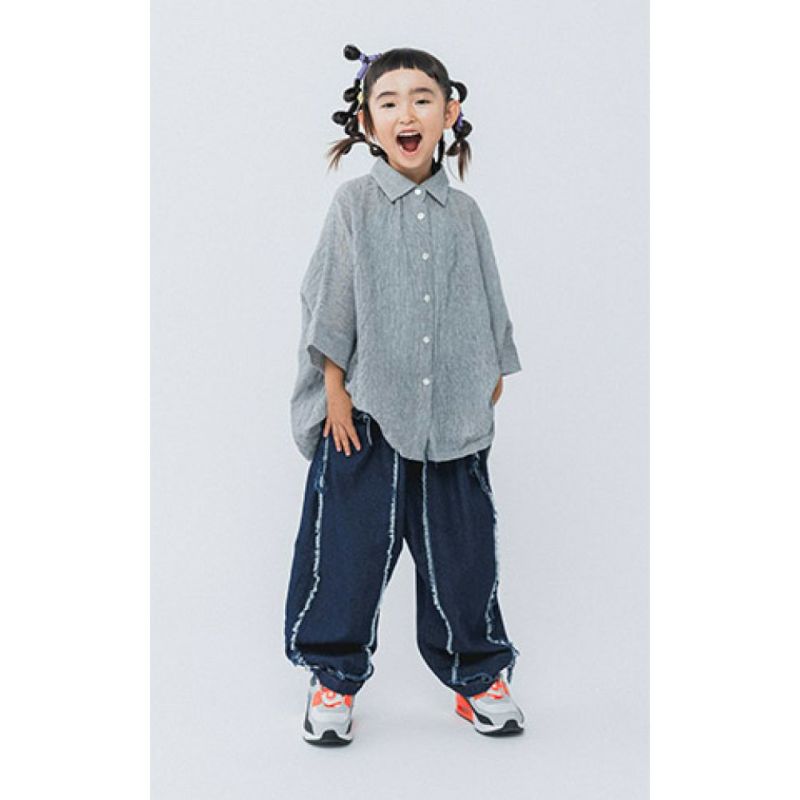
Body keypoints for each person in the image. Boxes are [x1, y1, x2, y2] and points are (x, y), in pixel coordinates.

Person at [284, 44, 526, 745]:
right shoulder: (354, 205)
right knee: (348, 555)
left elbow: (488, 297)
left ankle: (478, 678)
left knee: (464, 559)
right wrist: (334, 392)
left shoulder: (465, 213)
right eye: (388, 102)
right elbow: (330, 301)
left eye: (422, 99)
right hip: (366, 417)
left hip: (453, 419)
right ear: (367, 122)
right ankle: (333, 678)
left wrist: (490, 375)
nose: (406, 113)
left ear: (450, 112)